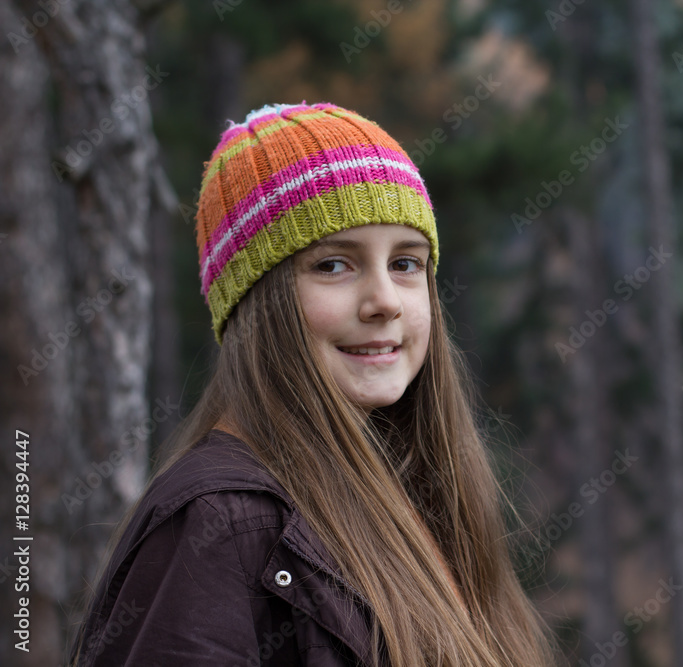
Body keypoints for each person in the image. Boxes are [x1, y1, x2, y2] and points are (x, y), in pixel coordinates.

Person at [68, 102, 563, 666]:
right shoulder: (219, 523)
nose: (384, 301)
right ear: (256, 302)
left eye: (405, 263)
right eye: (333, 265)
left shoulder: (416, 498)